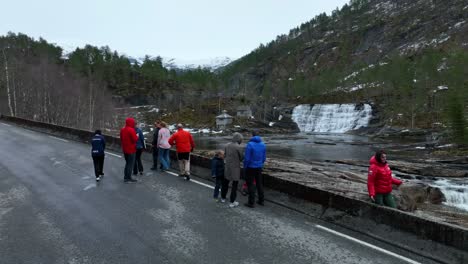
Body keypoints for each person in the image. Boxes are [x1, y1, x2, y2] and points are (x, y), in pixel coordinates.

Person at [244, 130, 266, 208]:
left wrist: (245, 167)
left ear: (252, 135)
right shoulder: (263, 144)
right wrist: (260, 163)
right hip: (259, 167)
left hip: (250, 167)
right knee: (259, 183)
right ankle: (261, 200)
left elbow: (247, 158)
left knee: (250, 185)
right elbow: (264, 158)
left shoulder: (250, 144)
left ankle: (251, 202)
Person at [221, 132, 244, 208]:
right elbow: (241, 158)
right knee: (234, 185)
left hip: (227, 166)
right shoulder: (239, 147)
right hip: (235, 168)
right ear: (239, 139)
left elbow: (224, 155)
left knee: (225, 183)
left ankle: (223, 198)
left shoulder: (227, 145)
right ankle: (232, 201)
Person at [120, 117, 138, 183]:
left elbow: (121, 139)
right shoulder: (131, 130)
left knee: (127, 163)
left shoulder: (122, 129)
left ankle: (126, 177)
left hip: (125, 149)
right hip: (131, 150)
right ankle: (128, 178)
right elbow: (135, 139)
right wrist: (137, 136)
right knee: (130, 164)